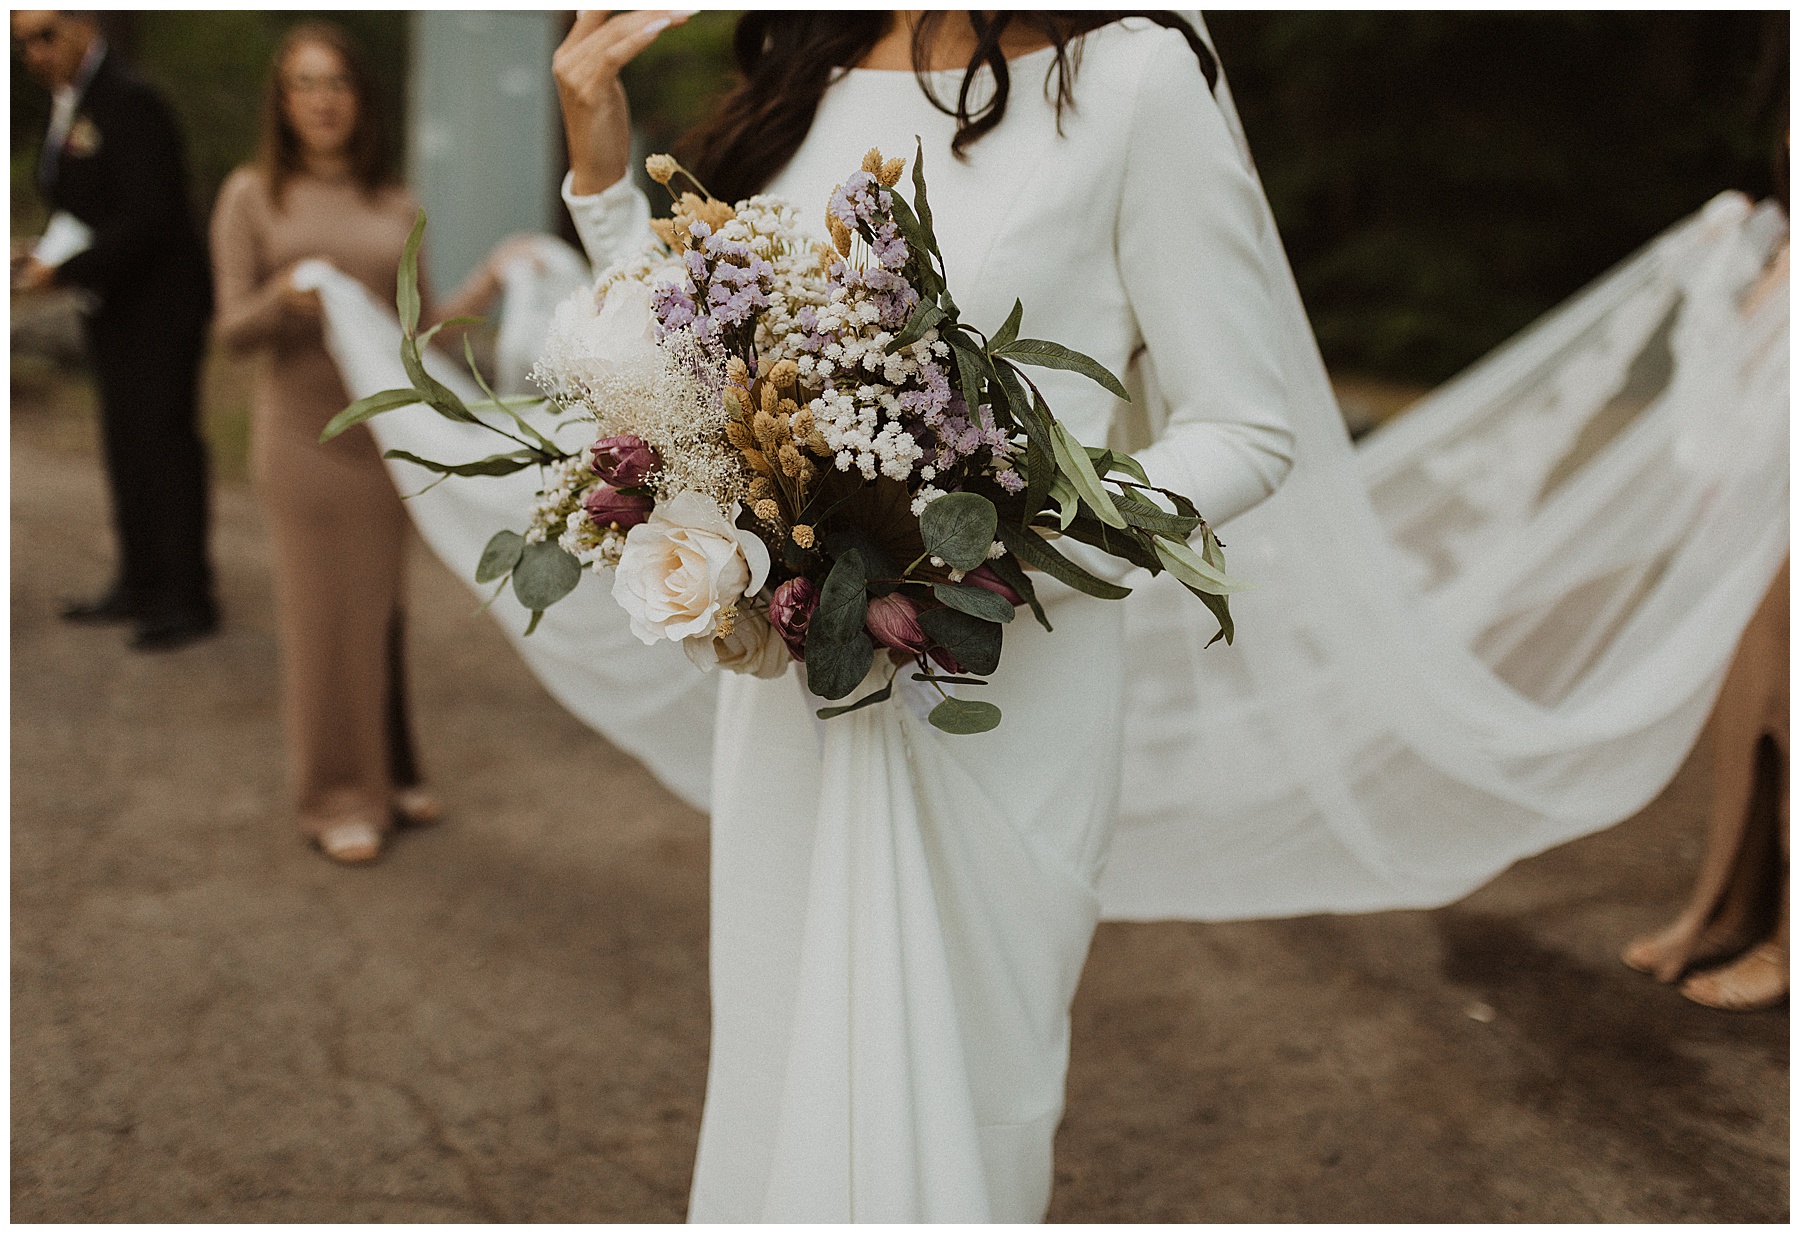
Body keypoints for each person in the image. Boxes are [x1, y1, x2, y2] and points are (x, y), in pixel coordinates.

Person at [553, 10, 1295, 1219]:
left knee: (966, 1098)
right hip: (802, 694)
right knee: (781, 1067)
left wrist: (994, 545)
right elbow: (679, 359)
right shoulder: (809, 67)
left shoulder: (1135, 80)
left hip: (1001, 688)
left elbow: (1247, 426)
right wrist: (598, 165)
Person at [209, 23, 521, 864]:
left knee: (378, 614)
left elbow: (417, 340)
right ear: (283, 100)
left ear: (361, 98)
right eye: (306, 83)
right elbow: (233, 329)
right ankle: (336, 797)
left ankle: (391, 772)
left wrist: (493, 278)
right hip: (302, 443)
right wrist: (283, 297)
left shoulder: (395, 203)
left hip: (382, 443)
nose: (322, 100)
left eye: (338, 83)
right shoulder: (251, 196)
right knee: (320, 620)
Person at [12, 10, 219, 651]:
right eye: (21, 42)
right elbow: (86, 206)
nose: (34, 54)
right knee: (125, 443)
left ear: (84, 25)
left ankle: (187, 595)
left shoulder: (132, 101)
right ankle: (138, 579)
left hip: (162, 306)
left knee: (164, 445)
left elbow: (151, 215)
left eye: (46, 35)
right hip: (111, 304)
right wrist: (40, 253)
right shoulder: (68, 103)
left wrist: (63, 271)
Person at [1621, 242, 1789, 1012]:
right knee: (1747, 723)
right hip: (1764, 506)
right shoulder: (1780, 244)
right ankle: (1724, 908)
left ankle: (1785, 944)